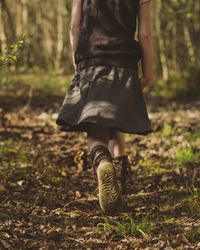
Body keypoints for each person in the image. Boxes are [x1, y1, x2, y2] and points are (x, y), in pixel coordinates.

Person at [56, 0, 154, 214]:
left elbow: (74, 27)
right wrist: (148, 72)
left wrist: (78, 64)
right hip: (124, 64)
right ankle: (119, 180)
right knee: (116, 120)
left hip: (91, 61)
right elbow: (145, 35)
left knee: (95, 130)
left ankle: (102, 162)